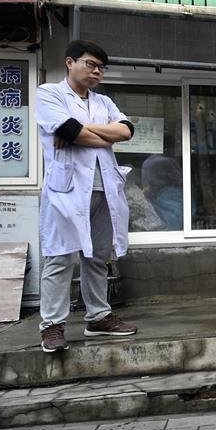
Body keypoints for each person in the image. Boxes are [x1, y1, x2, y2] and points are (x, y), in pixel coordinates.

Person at [35, 40, 138, 353]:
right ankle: (52, 325)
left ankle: (98, 317)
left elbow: (127, 131)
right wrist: (99, 134)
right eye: (90, 64)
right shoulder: (49, 93)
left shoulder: (104, 101)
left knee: (98, 256)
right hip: (66, 191)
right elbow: (69, 130)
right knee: (60, 256)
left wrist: (81, 131)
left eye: (101, 68)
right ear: (70, 62)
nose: (97, 72)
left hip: (104, 188)